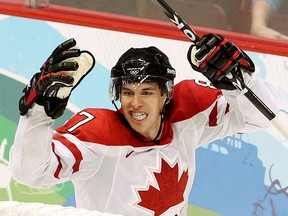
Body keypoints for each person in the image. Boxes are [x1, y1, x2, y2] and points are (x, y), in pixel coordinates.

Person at [10, 34, 279, 216]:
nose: (135, 104)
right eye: (128, 92)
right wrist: (37, 114)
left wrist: (240, 80)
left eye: (147, 92)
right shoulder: (97, 136)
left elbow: (260, 116)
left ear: (166, 95)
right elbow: (31, 173)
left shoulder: (188, 114)